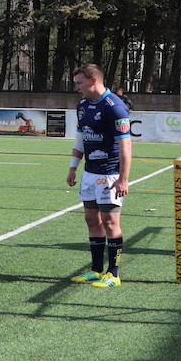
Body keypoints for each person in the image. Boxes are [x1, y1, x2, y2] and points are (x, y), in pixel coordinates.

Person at [66, 64, 132, 288]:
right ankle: (96, 270)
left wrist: (123, 178)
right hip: (89, 173)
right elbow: (80, 137)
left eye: (79, 83)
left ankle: (114, 274)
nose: (77, 88)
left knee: (110, 222)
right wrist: (73, 166)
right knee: (91, 220)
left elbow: (126, 145)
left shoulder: (115, 107)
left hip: (110, 174)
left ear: (93, 81)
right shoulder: (83, 106)